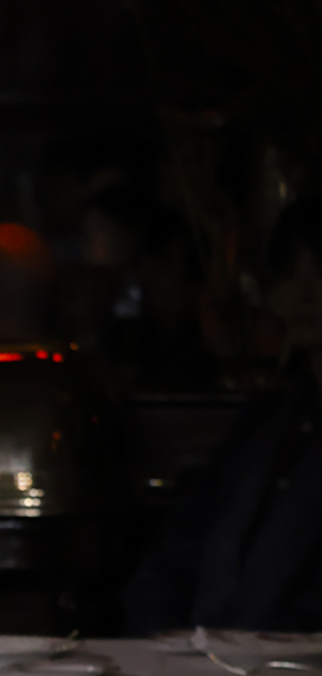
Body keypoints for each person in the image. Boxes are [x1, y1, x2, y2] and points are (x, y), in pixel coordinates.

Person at [122, 197, 322, 633]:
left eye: (320, 272)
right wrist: (162, 636)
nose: (305, 292)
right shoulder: (264, 423)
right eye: (291, 274)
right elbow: (180, 550)